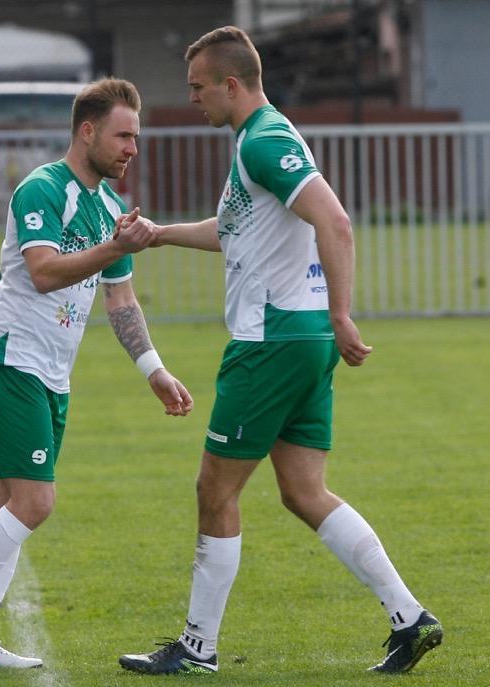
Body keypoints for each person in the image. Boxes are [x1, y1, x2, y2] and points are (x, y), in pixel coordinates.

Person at [117, 26, 442, 676]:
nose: (193, 99)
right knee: (303, 489)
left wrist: (342, 312)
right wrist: (157, 236)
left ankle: (198, 647)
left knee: (215, 488)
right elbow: (236, 230)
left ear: (231, 84)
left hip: (272, 342)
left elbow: (335, 219)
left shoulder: (263, 141)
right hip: (300, 341)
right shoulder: (261, 140)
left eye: (198, 87)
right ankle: (410, 617)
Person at [0, 78, 194, 673]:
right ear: (87, 131)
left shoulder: (112, 209)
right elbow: (44, 272)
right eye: (123, 135)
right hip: (10, 360)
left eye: (137, 138)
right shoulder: (42, 188)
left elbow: (120, 301)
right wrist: (112, 246)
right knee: (36, 504)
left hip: (51, 375)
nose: (132, 148)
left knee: (11, 504)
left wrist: (155, 370)